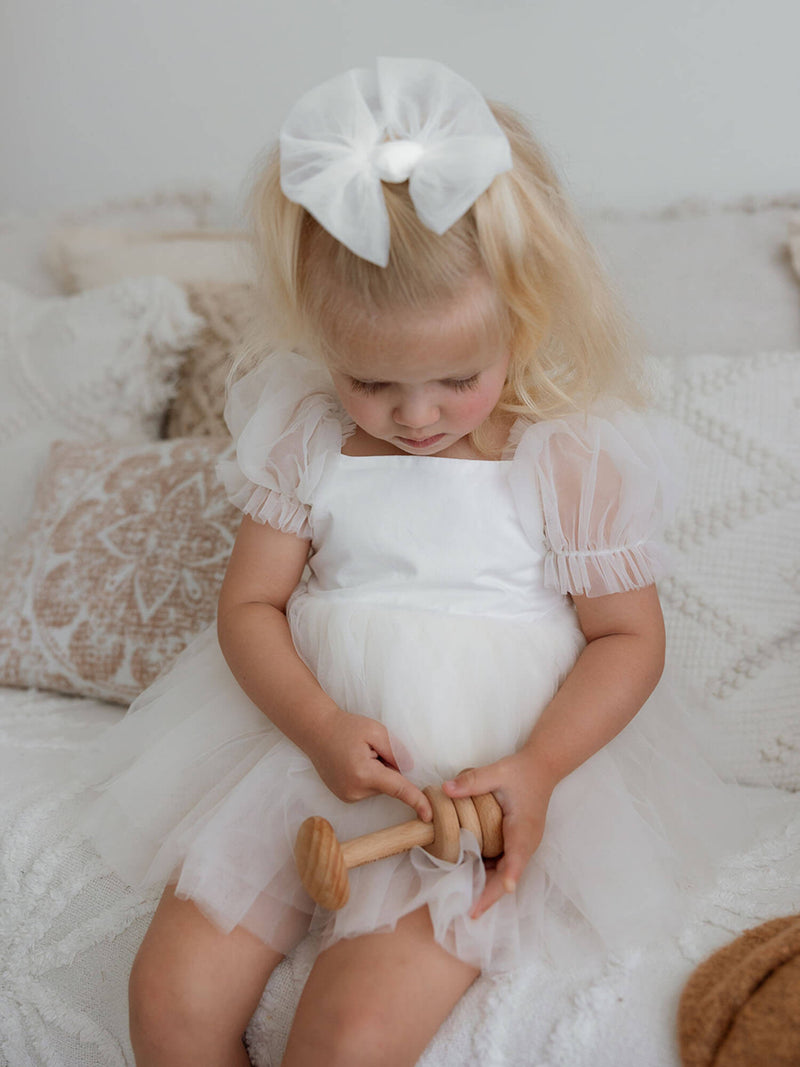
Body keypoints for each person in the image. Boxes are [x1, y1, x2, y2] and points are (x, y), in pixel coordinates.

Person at [75, 57, 752, 1067]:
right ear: (322, 344)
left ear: (519, 327)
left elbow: (627, 636)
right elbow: (251, 605)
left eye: (454, 378)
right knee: (167, 997)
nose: (414, 414)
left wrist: (539, 765)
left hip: (476, 787)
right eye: (372, 380)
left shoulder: (559, 456)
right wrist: (316, 724)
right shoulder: (307, 435)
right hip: (311, 755)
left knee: (347, 1036)